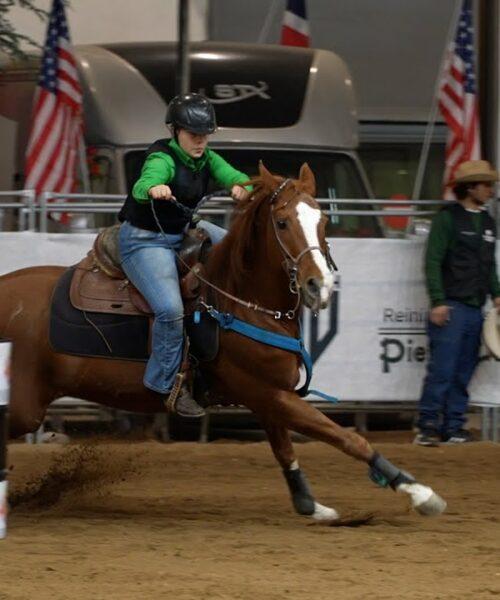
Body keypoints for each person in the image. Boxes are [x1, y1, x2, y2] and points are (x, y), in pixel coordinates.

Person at [118, 93, 250, 418]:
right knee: (169, 308)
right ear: (175, 131)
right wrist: (154, 189)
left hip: (181, 231)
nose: (201, 141)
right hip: (145, 241)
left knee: (236, 250)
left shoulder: (207, 158)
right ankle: (166, 386)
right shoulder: (161, 158)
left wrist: (242, 186)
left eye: (205, 134)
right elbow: (143, 184)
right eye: (194, 134)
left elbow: (237, 176)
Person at [414, 160, 500, 445]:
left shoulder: (488, 222)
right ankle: (427, 424)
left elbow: (488, 267)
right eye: (486, 185)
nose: (490, 190)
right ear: (471, 187)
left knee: (462, 370)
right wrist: (438, 300)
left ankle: (452, 425)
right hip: (452, 305)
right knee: (444, 368)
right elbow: (433, 261)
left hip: (475, 308)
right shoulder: (447, 219)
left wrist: (496, 293)